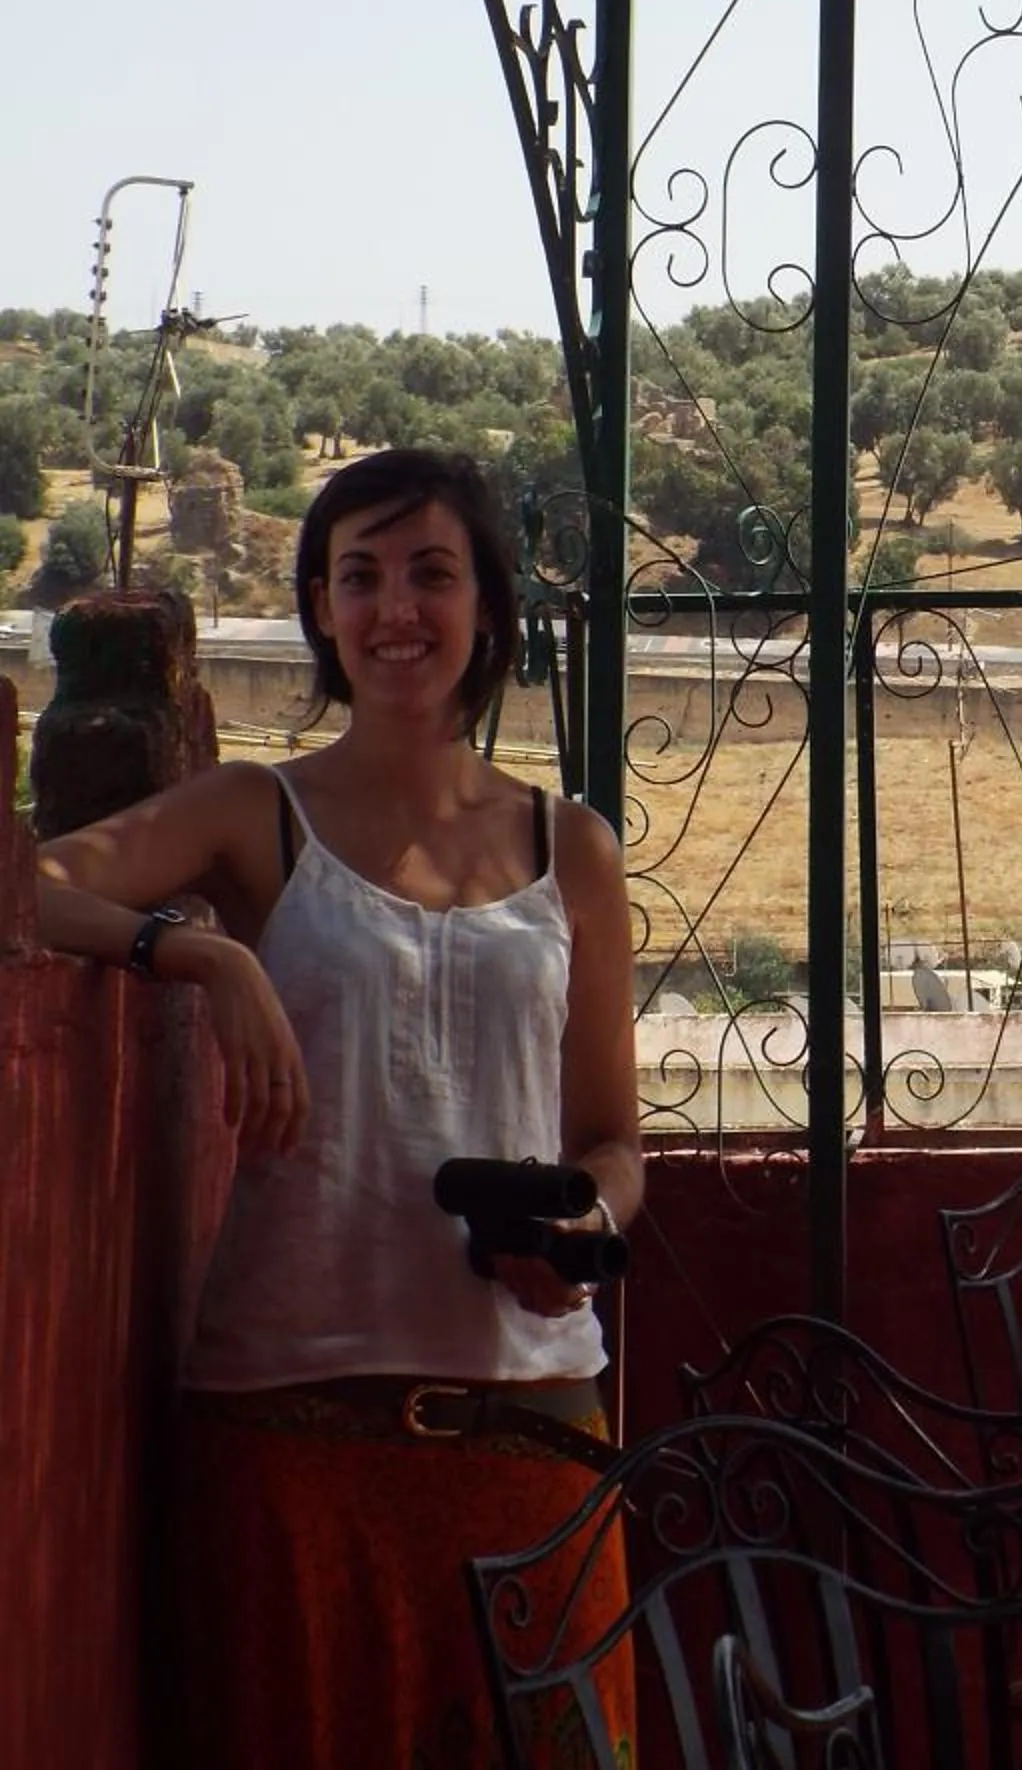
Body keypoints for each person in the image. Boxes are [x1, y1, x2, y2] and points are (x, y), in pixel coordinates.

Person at [36, 447, 640, 1769]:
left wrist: (583, 1213)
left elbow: (614, 1136)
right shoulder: (261, 814)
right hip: (289, 1440)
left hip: (529, 1433)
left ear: (489, 603)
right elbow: (25, 886)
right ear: (318, 606)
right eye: (357, 575)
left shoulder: (571, 848)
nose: (394, 608)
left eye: (432, 572)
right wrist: (193, 950)